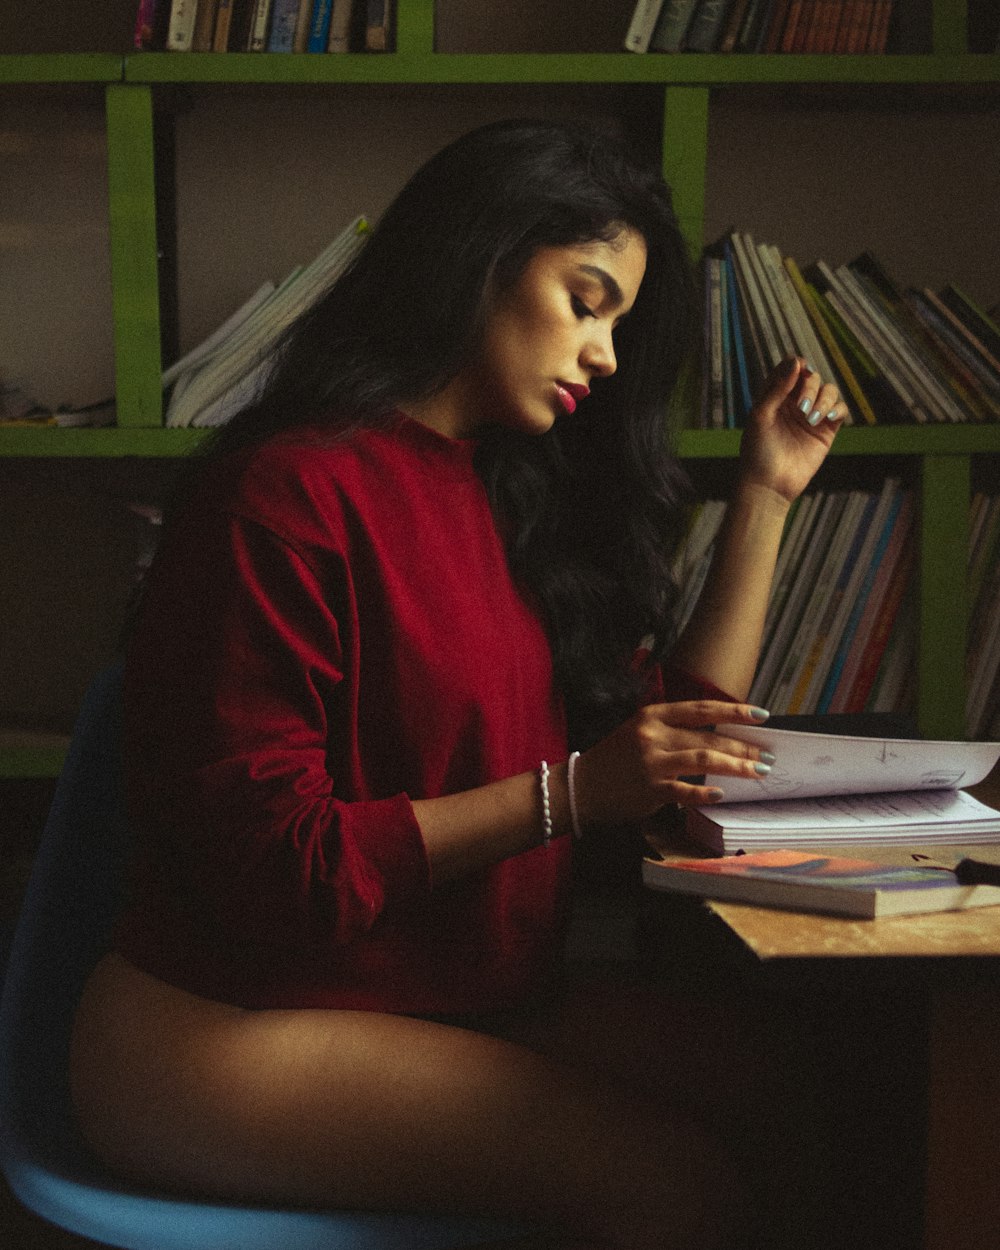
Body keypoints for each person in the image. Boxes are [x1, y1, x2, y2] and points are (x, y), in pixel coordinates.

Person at [70, 118, 844, 1249]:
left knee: (806, 1090)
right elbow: (276, 872)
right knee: (671, 1186)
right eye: (586, 301)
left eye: (619, 323)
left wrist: (765, 497)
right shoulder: (285, 495)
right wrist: (572, 794)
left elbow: (665, 746)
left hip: (435, 997)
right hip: (222, 1020)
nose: (606, 356)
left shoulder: (507, 498)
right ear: (482, 256)